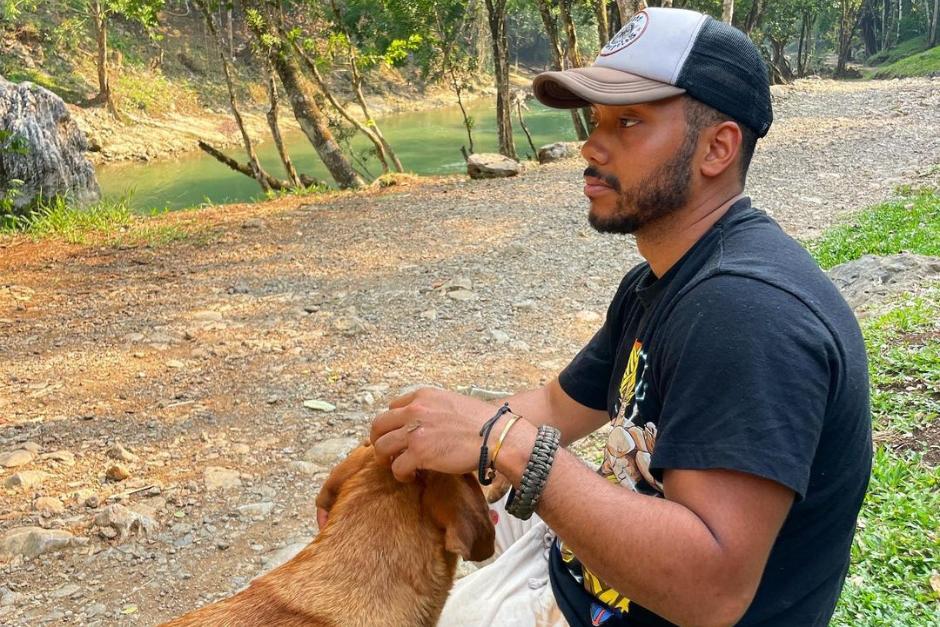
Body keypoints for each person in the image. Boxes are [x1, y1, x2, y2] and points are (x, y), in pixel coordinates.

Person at [322, 7, 872, 626]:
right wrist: (402, 450)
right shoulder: (660, 281)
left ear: (717, 147)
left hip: (641, 603)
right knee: (352, 543)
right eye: (597, 119)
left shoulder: (747, 313)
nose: (590, 144)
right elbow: (557, 407)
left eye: (629, 121)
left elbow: (711, 591)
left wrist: (502, 442)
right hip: (585, 566)